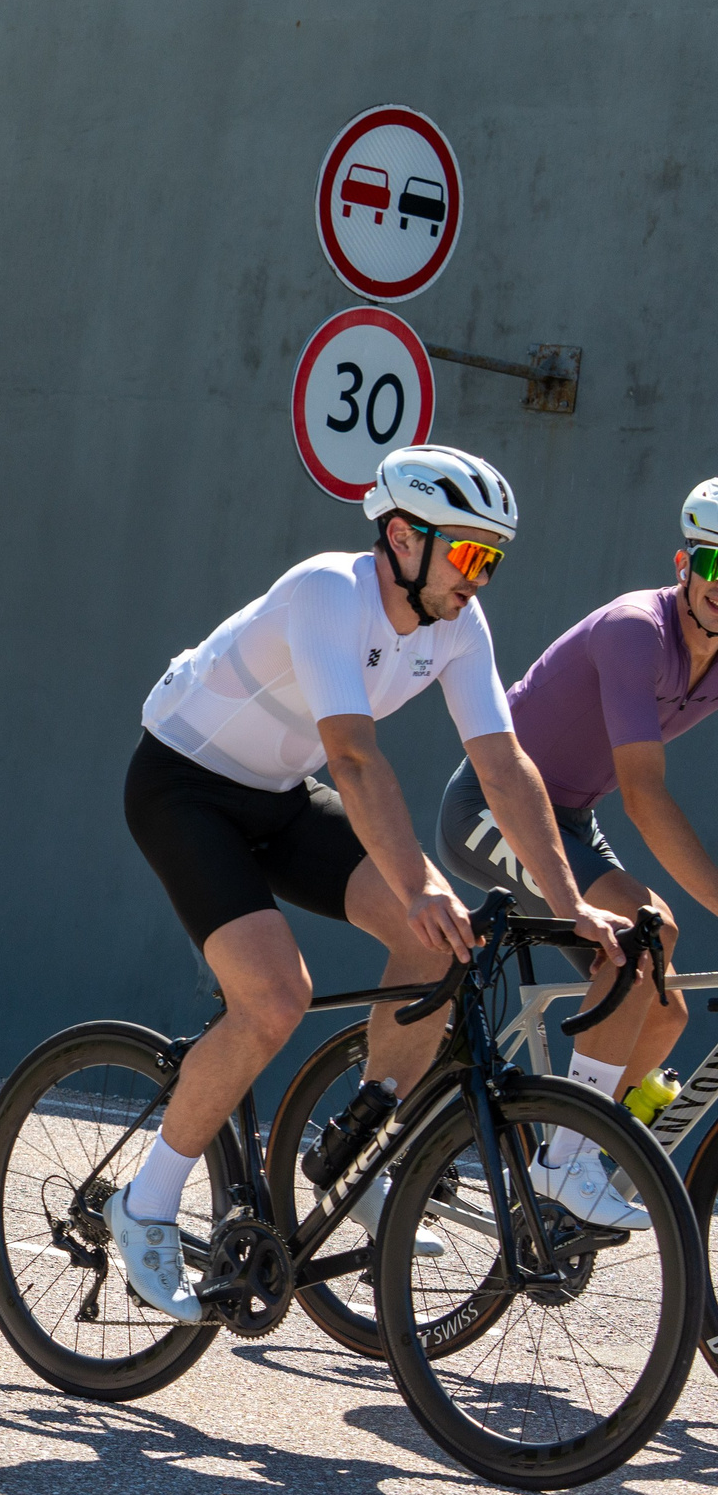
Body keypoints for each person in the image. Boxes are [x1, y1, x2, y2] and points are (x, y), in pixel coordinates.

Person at [116, 444, 626, 1322]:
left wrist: (568, 900)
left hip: (277, 795)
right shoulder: (329, 591)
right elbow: (353, 756)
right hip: (184, 786)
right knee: (276, 999)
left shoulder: (459, 628)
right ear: (402, 536)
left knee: (440, 937)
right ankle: (146, 1202)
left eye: (491, 558)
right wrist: (418, 879)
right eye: (469, 554)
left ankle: (363, 1153)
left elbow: (504, 767)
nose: (482, 576)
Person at [432, 474, 718, 1228]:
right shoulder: (637, 632)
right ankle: (564, 1160)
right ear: (684, 565)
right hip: (493, 806)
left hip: (569, 816)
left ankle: (578, 1147)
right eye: (711, 564)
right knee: (645, 936)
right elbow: (645, 795)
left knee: (668, 1007)